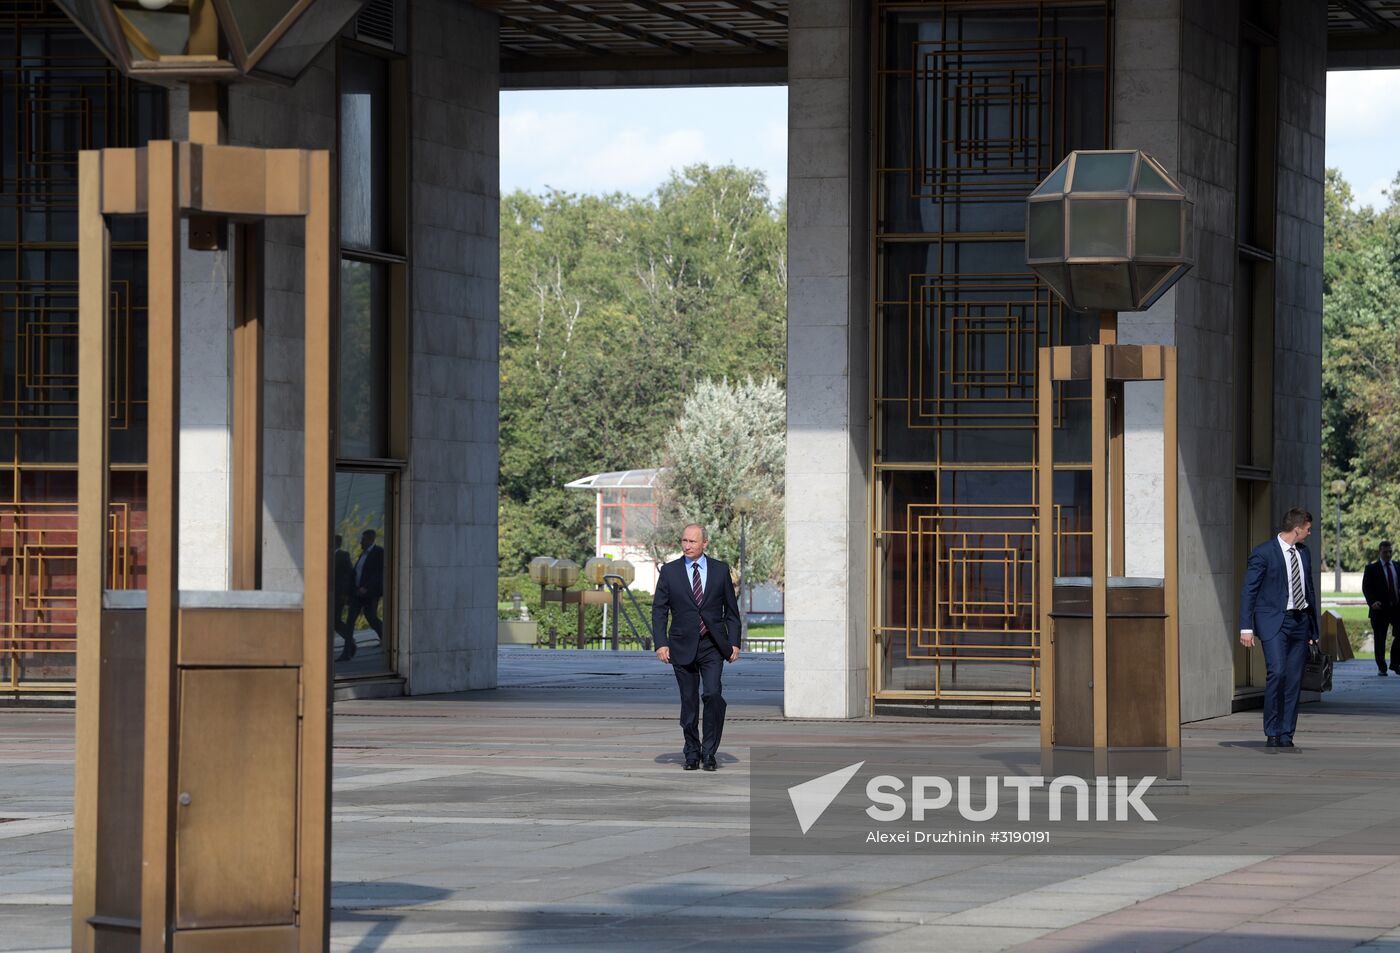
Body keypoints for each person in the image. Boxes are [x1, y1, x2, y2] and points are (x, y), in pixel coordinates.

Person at [652, 523, 741, 772]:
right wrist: (661, 643)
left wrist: (734, 642)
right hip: (681, 645)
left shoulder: (720, 570)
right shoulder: (670, 572)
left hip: (713, 645)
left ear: (705, 543)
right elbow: (659, 610)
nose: (687, 546)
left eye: (692, 541)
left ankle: (709, 752)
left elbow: (731, 612)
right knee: (689, 702)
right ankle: (692, 751)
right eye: (684, 541)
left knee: (712, 694)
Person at [1239, 507, 1320, 748]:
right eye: (1308, 530)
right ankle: (1272, 730)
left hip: (1300, 623)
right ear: (1297, 528)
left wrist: (1313, 631)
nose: (1309, 534)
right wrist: (1246, 627)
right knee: (1278, 672)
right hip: (1275, 622)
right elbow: (1249, 591)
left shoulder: (1304, 553)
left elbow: (1310, 590)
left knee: (1294, 679)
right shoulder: (1263, 553)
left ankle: (1286, 734)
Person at [340, 528, 384, 662]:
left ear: (371, 539)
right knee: (350, 621)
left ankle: (386, 639)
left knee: (371, 618)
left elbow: (378, 573)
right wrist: (349, 592)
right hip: (357, 594)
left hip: (369, 594)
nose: (361, 542)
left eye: (363, 539)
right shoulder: (362, 555)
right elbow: (356, 574)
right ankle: (346, 652)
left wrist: (367, 587)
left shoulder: (379, 552)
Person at [1362, 540, 1400, 676]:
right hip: (1379, 609)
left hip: (1396, 609)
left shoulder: (1397, 566)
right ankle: (1382, 667)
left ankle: (1395, 664)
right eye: (1385, 552)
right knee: (1380, 639)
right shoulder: (1371, 569)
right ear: (1380, 552)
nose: (1388, 554)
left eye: (1390, 551)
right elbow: (1366, 587)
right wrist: (1372, 602)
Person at [333, 534, 355, 650]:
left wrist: (345, 594)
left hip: (339, 595)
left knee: (335, 621)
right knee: (333, 621)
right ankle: (350, 640)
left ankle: (350, 639)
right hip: (331, 595)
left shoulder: (343, 555)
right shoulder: (329, 555)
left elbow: (349, 575)